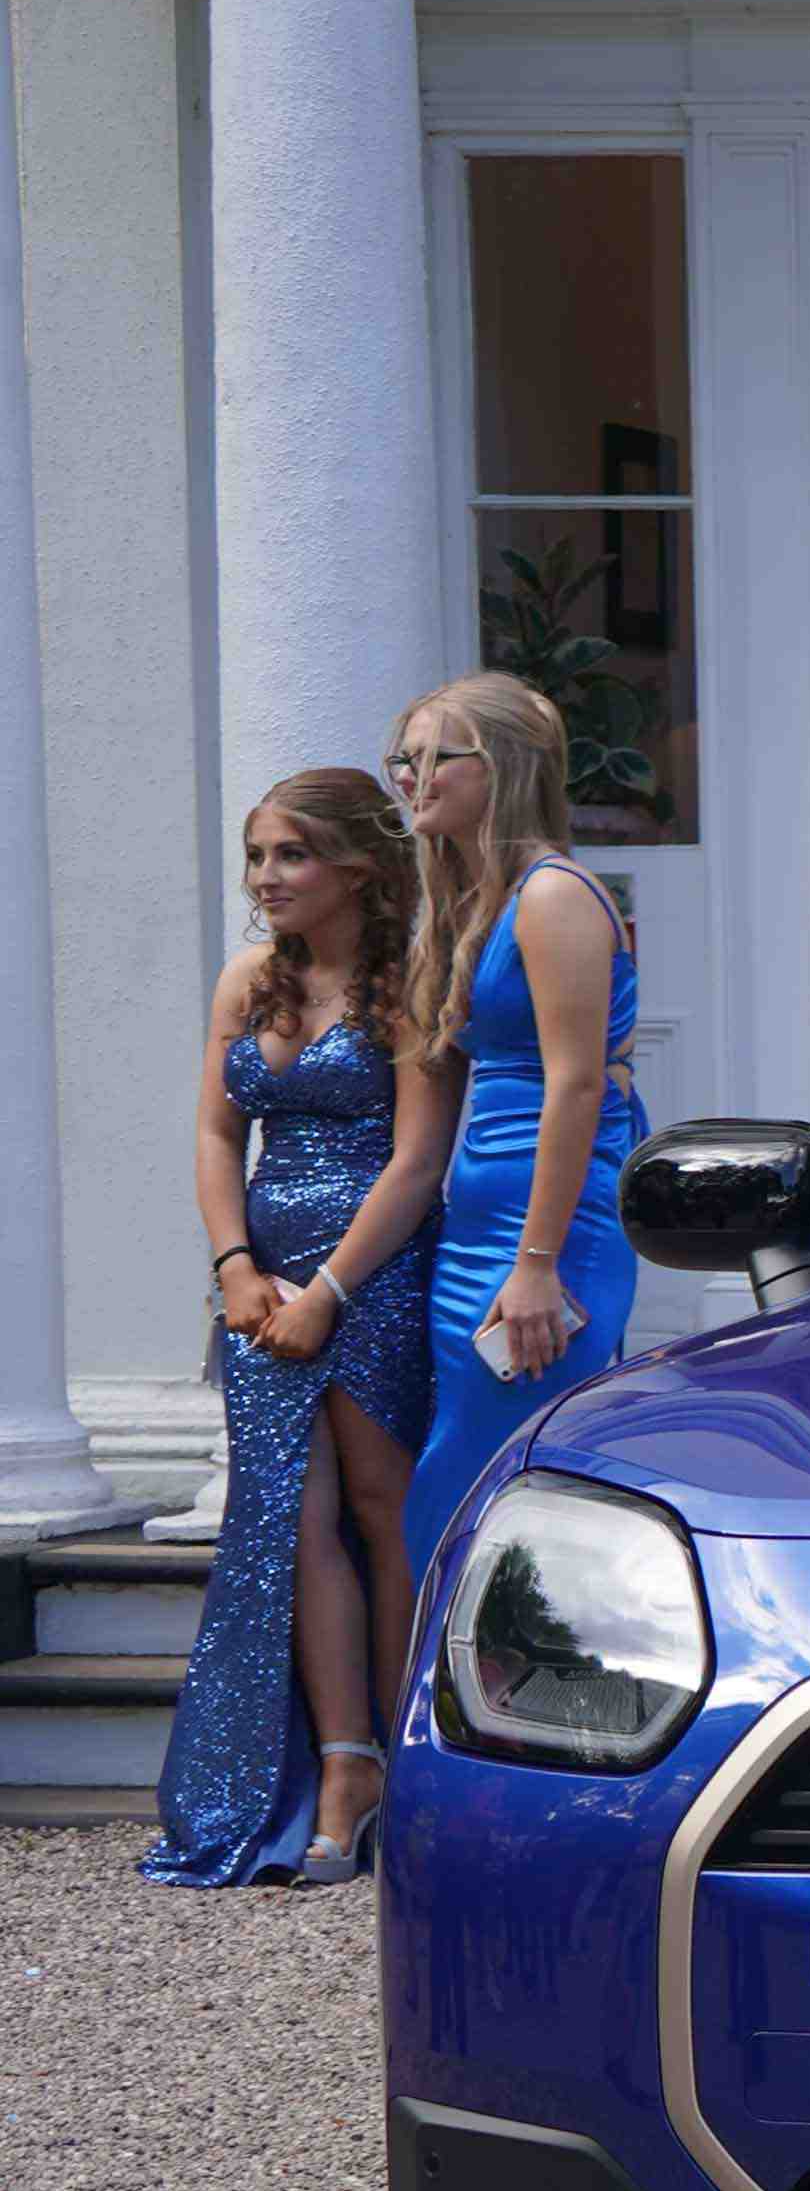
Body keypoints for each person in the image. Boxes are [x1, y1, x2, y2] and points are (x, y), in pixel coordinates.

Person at [143, 770, 452, 1888]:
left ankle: (419, 1765)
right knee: (290, 1516)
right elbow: (218, 1137)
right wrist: (237, 1268)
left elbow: (419, 1160)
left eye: (290, 856)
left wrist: (329, 1291)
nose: (265, 878)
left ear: (359, 867)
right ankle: (342, 1765)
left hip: (375, 1277)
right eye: (257, 856)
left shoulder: (413, 984)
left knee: (381, 1505)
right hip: (262, 1294)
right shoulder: (248, 983)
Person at [393, 674, 649, 1575]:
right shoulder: (475, 904)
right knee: (464, 1474)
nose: (415, 779)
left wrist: (535, 1265)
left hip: (546, 1235)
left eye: (437, 758)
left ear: (499, 768)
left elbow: (577, 1086)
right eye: (405, 761)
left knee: (498, 1480)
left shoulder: (552, 895)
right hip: (481, 1230)